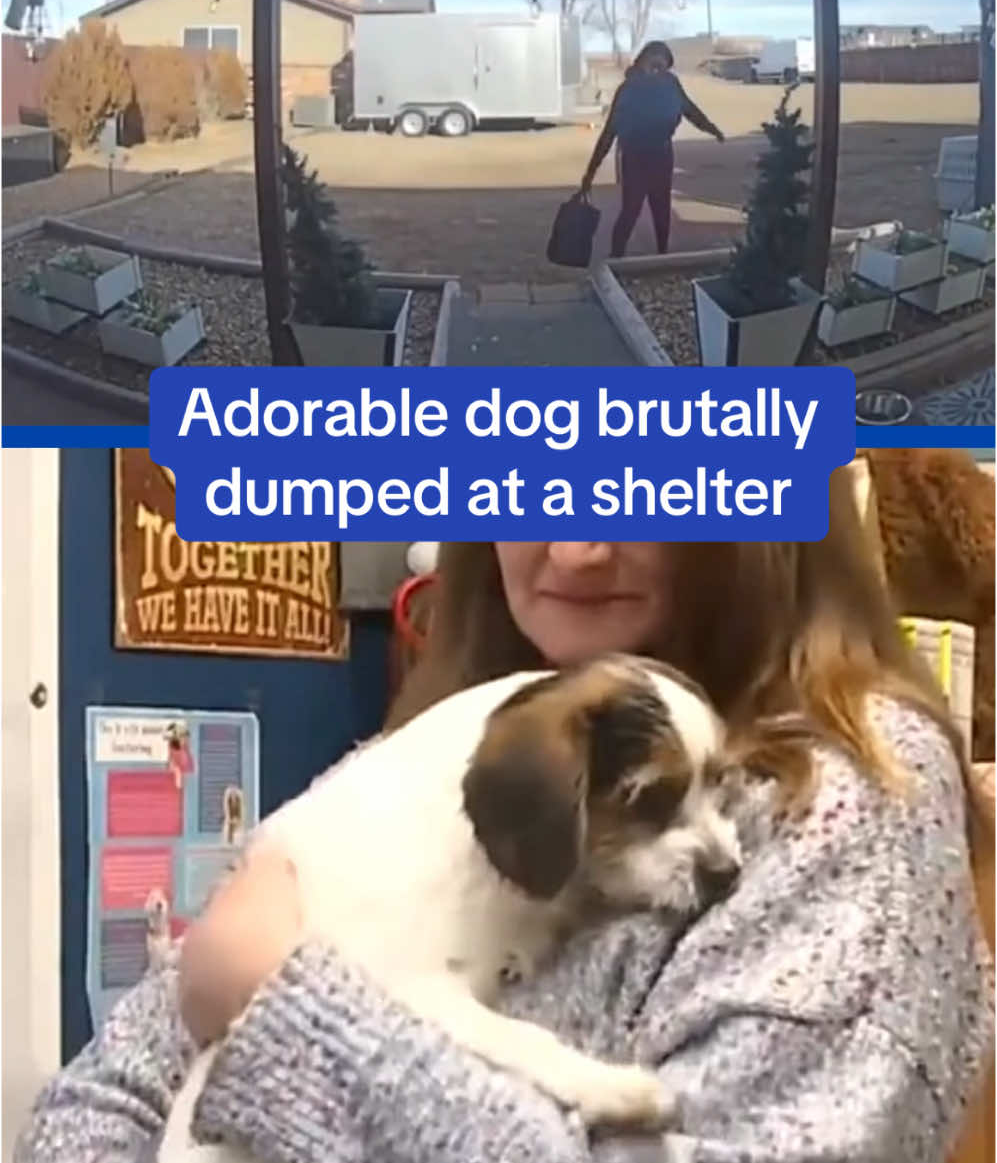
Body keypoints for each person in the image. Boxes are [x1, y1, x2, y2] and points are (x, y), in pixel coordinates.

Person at [16, 471, 994, 1163]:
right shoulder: (457, 737)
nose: (572, 542)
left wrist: (282, 1004)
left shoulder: (851, 798)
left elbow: (240, 980)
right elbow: (108, 1092)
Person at [580, 40, 724, 259]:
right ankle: (616, 259)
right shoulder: (628, 89)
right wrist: (591, 171)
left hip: (662, 155)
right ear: (641, 63)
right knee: (631, 210)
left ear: (667, 66)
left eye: (662, 65)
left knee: (661, 210)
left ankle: (662, 256)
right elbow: (609, 132)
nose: (657, 70)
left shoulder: (671, 84)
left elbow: (691, 111)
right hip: (634, 157)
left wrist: (712, 129)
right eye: (652, 64)